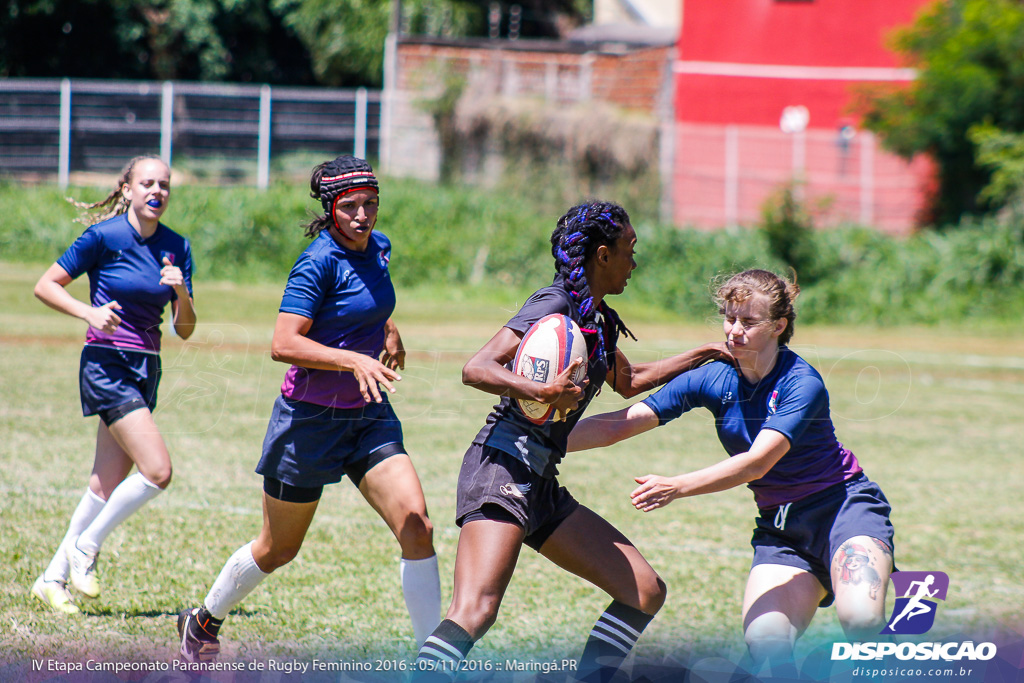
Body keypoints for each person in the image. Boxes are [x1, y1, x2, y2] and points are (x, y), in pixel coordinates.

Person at [412, 201, 730, 683]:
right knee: (474, 611)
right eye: (629, 249)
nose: (634, 262)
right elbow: (476, 368)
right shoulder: (553, 304)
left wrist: (705, 354)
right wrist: (541, 391)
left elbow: (631, 379)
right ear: (603, 255)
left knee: (643, 591)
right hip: (502, 466)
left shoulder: (596, 318)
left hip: (539, 478)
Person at [175, 156, 440, 663]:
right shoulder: (317, 262)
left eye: (371, 204)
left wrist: (388, 330)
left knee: (416, 525)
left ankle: (435, 660)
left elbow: (370, 301)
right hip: (307, 422)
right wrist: (351, 357)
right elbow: (282, 343)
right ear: (332, 208)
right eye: (352, 207)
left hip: (367, 414)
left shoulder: (378, 249)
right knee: (278, 549)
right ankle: (203, 620)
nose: (363, 216)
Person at [569, 269, 895, 677]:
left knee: (862, 622)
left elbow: (757, 462)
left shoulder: (801, 382)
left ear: (779, 325)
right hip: (783, 532)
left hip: (844, 512)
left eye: (749, 322)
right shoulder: (713, 377)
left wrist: (677, 486)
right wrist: (542, 438)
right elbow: (623, 422)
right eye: (729, 318)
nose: (734, 330)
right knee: (767, 643)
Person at [31, 155, 196, 614]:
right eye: (147, 183)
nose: (156, 191)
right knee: (157, 471)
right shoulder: (104, 237)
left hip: (147, 367)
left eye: (164, 185)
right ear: (127, 189)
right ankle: (87, 546)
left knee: (104, 486)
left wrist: (181, 291)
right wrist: (89, 313)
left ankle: (52, 578)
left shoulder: (177, 246)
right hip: (107, 364)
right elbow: (46, 285)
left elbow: (185, 329)